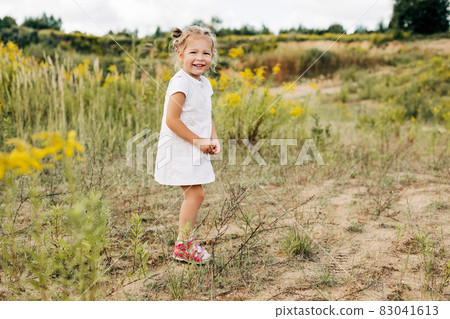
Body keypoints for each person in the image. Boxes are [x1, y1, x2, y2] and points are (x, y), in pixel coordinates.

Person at [154, 25, 221, 264]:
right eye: (193, 52)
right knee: (195, 195)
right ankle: (183, 246)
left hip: (196, 147)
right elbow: (172, 120)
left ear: (212, 57)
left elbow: (206, 114)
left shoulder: (204, 84)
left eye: (206, 53)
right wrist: (200, 142)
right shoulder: (180, 83)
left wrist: (212, 138)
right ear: (180, 54)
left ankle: (185, 242)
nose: (200, 58)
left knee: (196, 194)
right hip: (181, 148)